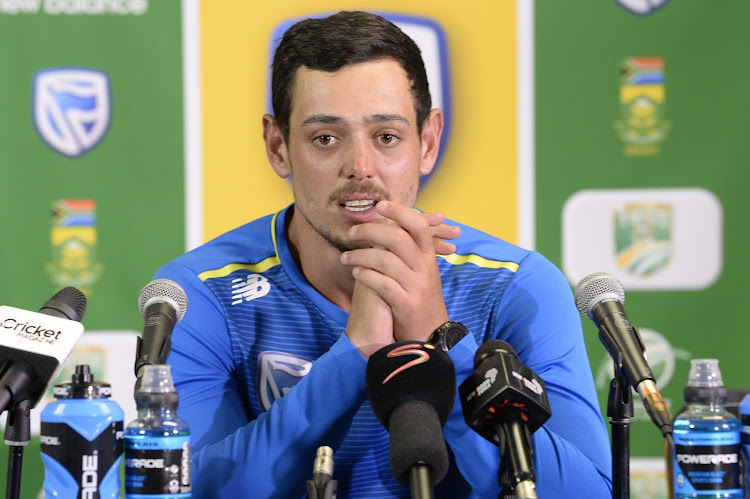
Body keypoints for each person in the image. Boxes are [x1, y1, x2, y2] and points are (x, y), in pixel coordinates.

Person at [151, 10, 612, 498]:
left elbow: (588, 492)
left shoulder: (516, 286)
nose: (360, 167)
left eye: (386, 136)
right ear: (278, 146)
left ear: (428, 141)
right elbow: (188, 489)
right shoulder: (200, 292)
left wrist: (438, 338)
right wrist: (355, 356)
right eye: (325, 138)